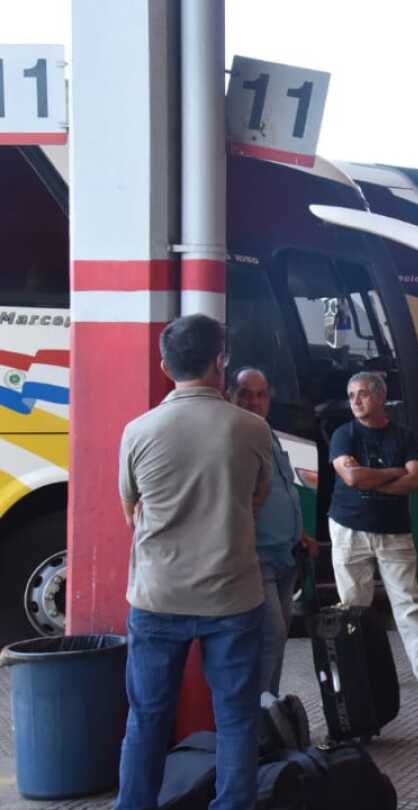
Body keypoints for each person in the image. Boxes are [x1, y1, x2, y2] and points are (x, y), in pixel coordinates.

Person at [116, 314, 273, 810]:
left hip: (158, 596)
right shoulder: (252, 428)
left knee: (146, 718)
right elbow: (256, 501)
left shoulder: (138, 431)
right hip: (232, 597)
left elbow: (131, 511)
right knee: (237, 717)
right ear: (219, 364)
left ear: (165, 366)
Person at [329, 371, 418, 695]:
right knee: (352, 606)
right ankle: (354, 675)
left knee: (409, 603)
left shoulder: (403, 436)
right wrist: (394, 472)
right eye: (351, 395)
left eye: (363, 394)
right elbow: (353, 479)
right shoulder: (342, 434)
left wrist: (372, 476)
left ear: (381, 396)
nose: (356, 401)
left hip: (394, 532)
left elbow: (416, 480)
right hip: (349, 528)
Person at [230, 367, 317, 696]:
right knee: (271, 635)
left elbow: (282, 487)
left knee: (275, 639)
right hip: (257, 557)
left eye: (261, 394)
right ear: (231, 395)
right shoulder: (233, 435)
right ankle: (262, 716)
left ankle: (272, 709)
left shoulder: (267, 431)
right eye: (245, 393)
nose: (254, 401)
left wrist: (301, 532)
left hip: (286, 553)